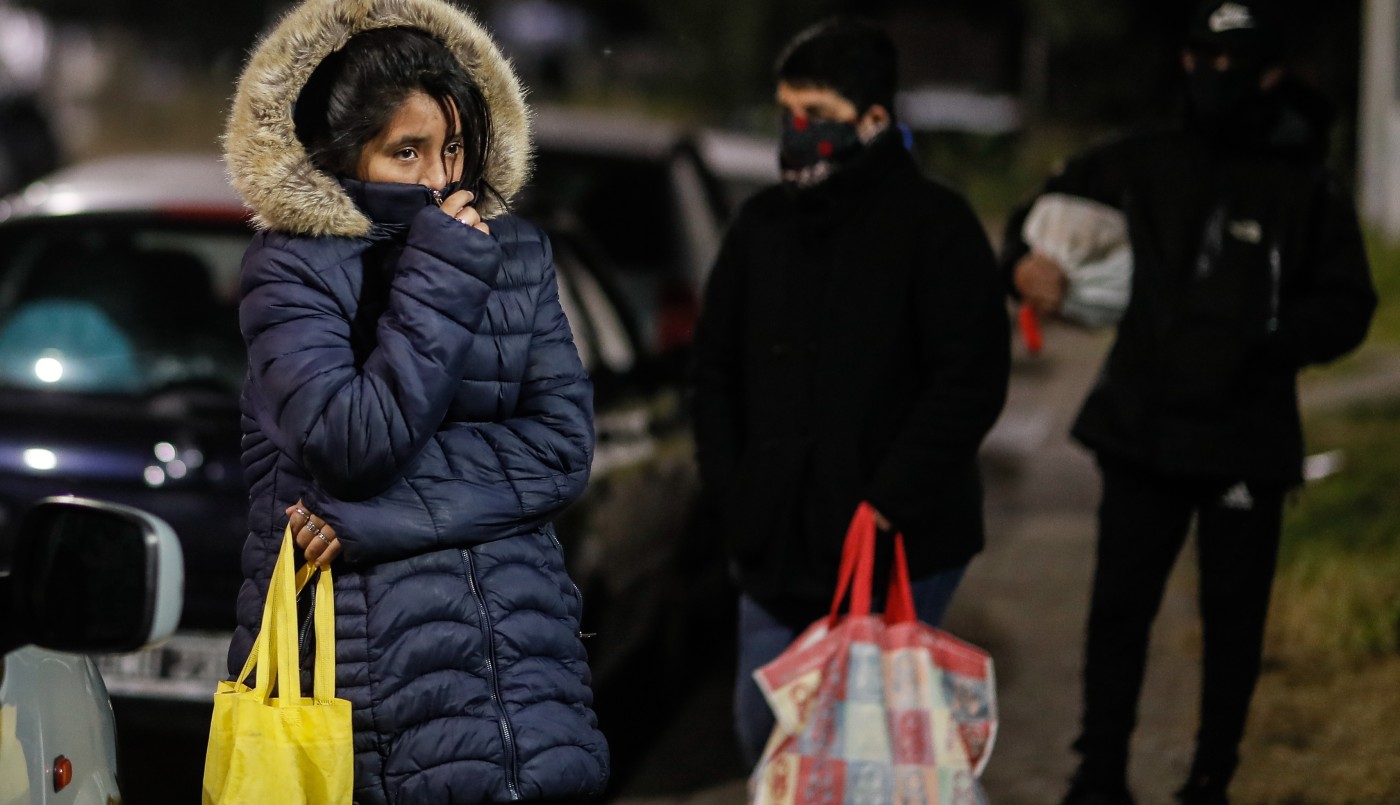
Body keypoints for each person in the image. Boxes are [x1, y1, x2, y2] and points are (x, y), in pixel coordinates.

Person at [221, 0, 607, 801]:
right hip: (367, 691)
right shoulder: (290, 270)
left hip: (526, 687)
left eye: (455, 148)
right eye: (408, 152)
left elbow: (561, 450)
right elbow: (353, 443)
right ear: (344, 158)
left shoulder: (520, 256)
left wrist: (368, 521)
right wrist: (440, 271)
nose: (440, 180)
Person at [1003, 3, 1377, 804]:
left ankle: (1211, 777)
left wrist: (1268, 336)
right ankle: (1098, 772)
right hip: (1142, 429)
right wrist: (1021, 265)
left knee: (1233, 621)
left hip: (1247, 437)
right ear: (1182, 61)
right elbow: (1037, 221)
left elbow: (1351, 303)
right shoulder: (1141, 160)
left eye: (1234, 62)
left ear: (1271, 74)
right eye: (1200, 58)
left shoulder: (1307, 183)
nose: (1214, 77)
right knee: (1118, 613)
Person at [691, 16, 1011, 767]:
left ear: (873, 120)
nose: (794, 131)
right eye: (785, 111)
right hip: (774, 540)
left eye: (816, 116)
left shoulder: (936, 225)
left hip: (898, 540)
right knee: (765, 731)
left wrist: (889, 498)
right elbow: (713, 370)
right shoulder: (761, 225)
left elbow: (969, 379)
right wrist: (735, 496)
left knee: (861, 750)